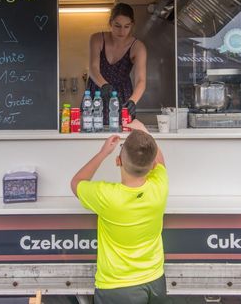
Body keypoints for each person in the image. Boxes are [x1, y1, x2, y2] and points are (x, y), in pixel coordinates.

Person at [70, 119, 168, 304]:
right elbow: (160, 161)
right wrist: (145, 133)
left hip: (117, 288)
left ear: (118, 161)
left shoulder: (106, 196)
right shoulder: (160, 186)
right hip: (155, 280)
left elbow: (76, 182)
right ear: (152, 166)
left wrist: (102, 153)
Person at [86, 3, 147, 121]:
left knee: (120, 129)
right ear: (110, 23)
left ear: (132, 25)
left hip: (122, 95)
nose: (122, 31)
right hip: (97, 91)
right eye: (117, 26)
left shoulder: (138, 47)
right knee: (91, 126)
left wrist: (132, 101)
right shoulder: (97, 39)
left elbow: (141, 80)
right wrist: (104, 86)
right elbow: (93, 68)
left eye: (127, 26)